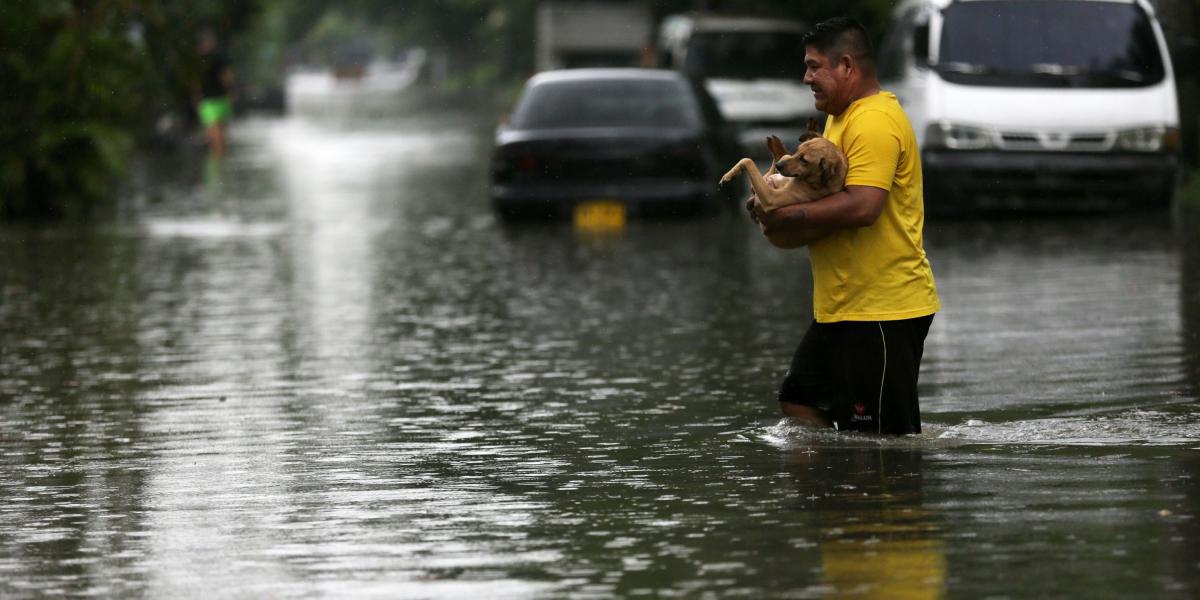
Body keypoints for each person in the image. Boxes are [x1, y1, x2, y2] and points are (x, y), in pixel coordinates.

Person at [746, 17, 940, 435]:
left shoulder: (874, 121)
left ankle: (879, 498)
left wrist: (785, 215)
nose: (806, 78)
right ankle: (837, 496)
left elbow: (863, 207)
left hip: (883, 311)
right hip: (842, 307)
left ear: (847, 67)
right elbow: (820, 201)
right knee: (800, 400)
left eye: (815, 67)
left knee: (885, 444)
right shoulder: (838, 120)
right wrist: (772, 205)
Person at [195, 30, 235, 157]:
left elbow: (227, 76)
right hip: (208, 100)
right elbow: (194, 81)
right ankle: (218, 158)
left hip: (220, 98)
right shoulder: (198, 60)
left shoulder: (218, 58)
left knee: (220, 132)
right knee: (214, 131)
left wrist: (230, 91)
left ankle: (219, 158)